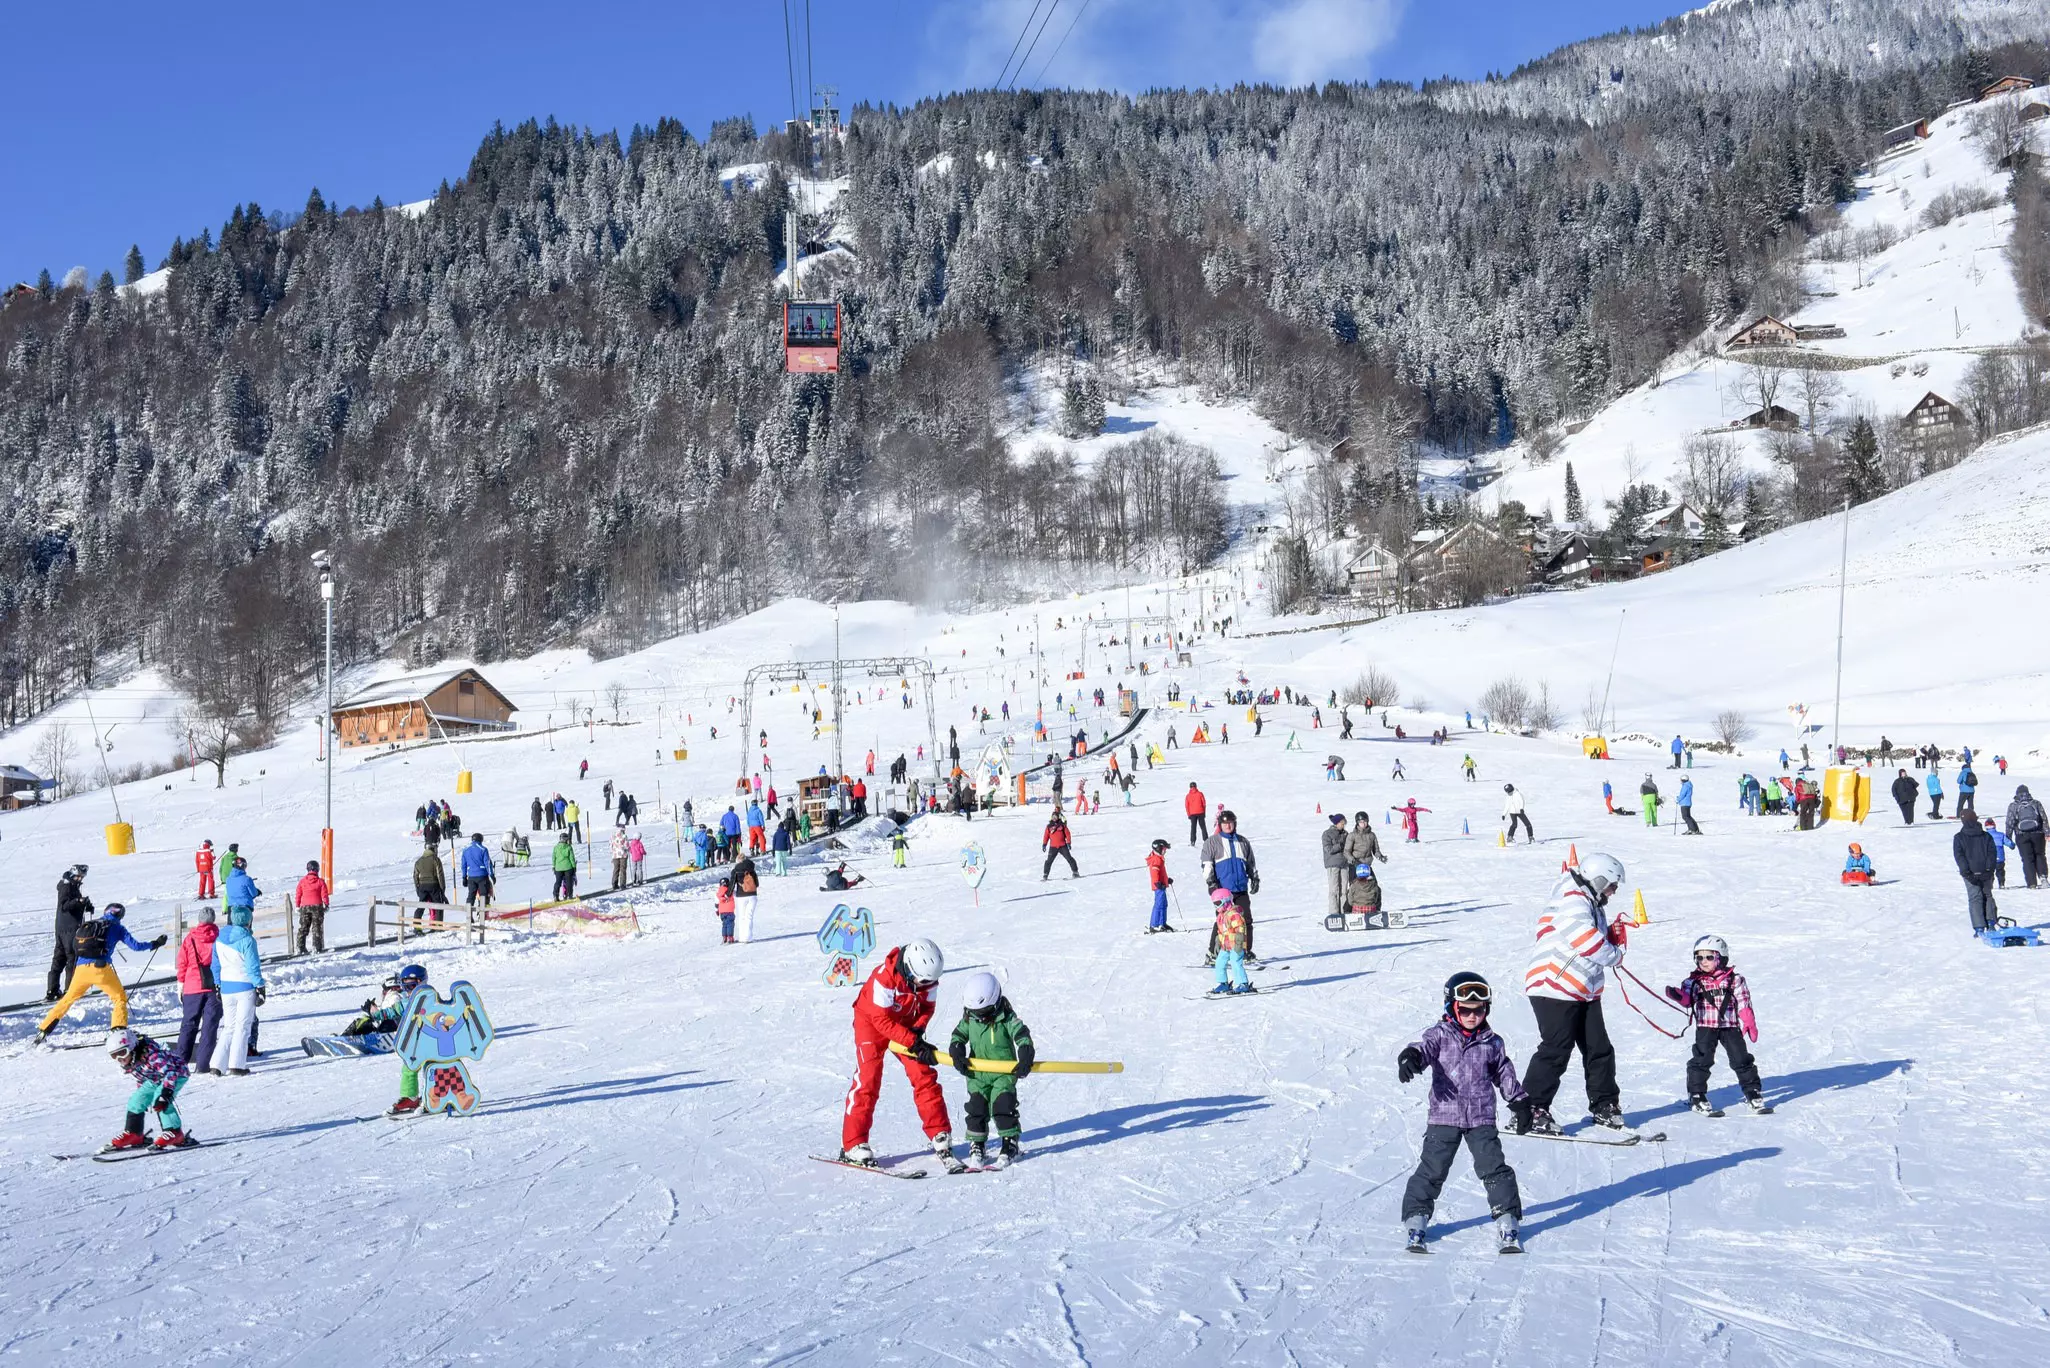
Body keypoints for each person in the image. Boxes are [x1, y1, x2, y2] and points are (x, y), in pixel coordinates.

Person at [1397, 972, 1526, 1254]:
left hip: (1481, 1118)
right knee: (1432, 1170)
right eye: (1465, 1010)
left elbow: (1503, 1072)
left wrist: (1518, 1100)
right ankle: (1416, 1219)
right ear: (1452, 1008)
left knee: (1494, 1168)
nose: (1472, 1015)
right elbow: (1424, 1048)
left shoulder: (1493, 1042)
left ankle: (1508, 1218)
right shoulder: (1440, 1035)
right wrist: (1411, 1057)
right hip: (1444, 1117)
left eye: (1478, 1010)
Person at [1514, 854, 1630, 1134]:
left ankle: (1604, 1104)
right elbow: (1585, 940)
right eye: (1612, 885)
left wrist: (1610, 937)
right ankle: (1529, 1110)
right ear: (1599, 880)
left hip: (1581, 987)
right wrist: (1615, 955)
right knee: (1556, 1048)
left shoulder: (1588, 900)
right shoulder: (1572, 898)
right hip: (1554, 985)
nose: (1613, 892)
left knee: (1598, 1048)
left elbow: (1591, 939)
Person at [838, 938, 964, 1173]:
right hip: (871, 1023)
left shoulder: (928, 978)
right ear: (908, 969)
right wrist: (913, 1042)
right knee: (868, 1079)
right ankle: (853, 1145)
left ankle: (939, 1133)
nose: (927, 985)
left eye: (931, 981)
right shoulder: (883, 978)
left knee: (924, 1074)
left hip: (904, 1024)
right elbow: (880, 1020)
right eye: (923, 980)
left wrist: (917, 1030)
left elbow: (927, 1008)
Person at [1665, 936, 1768, 1114]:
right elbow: (1687, 999)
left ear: (1721, 957)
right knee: (1702, 1060)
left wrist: (1748, 1019)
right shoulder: (1694, 981)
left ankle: (1752, 1090)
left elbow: (1743, 1000)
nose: (1703, 961)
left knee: (1741, 1059)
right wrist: (1679, 996)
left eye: (1709, 957)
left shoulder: (1735, 979)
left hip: (1730, 1026)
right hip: (1706, 1027)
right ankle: (1697, 1095)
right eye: (1699, 957)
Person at [38, 901, 162, 1042]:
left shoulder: (91, 925)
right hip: (101, 969)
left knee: (67, 1000)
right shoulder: (118, 928)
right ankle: (118, 1029)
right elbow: (136, 946)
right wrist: (155, 943)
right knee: (119, 997)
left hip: (80, 970)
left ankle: (44, 1029)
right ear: (120, 915)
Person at [948, 970, 1036, 1169]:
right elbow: (958, 1036)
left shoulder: (1006, 1018)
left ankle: (1010, 1144)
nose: (979, 1018)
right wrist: (957, 1052)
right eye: (975, 1013)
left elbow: (1022, 1035)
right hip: (977, 1074)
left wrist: (1025, 1055)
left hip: (1003, 1074)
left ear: (995, 1003)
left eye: (983, 1013)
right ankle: (977, 1145)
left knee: (1003, 1107)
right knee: (976, 1109)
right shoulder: (970, 1018)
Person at [102, 1028, 196, 1153]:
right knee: (136, 1100)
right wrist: (143, 1098)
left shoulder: (153, 1056)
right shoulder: (132, 1060)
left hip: (176, 1074)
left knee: (160, 1099)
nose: (120, 1059)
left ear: (132, 1047)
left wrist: (165, 1093)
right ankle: (134, 1134)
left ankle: (174, 1132)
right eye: (114, 1055)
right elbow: (142, 1078)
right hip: (155, 1078)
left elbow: (170, 1072)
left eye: (123, 1053)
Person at [209, 902, 265, 1077]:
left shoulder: (219, 939)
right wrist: (260, 986)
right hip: (245, 987)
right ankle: (237, 1065)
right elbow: (252, 966)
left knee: (229, 1027)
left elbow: (215, 965)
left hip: (226, 988)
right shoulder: (247, 940)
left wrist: (217, 984)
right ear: (248, 921)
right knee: (243, 1027)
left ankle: (217, 1064)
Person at [1200, 809, 1259, 963]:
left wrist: (1254, 878)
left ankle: (1244, 951)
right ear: (1220, 824)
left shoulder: (1243, 842)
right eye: (1225, 823)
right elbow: (1207, 866)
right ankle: (1213, 953)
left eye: (1230, 823)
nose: (1228, 826)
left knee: (1245, 920)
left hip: (1240, 888)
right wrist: (1212, 884)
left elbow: (1250, 863)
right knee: (1223, 922)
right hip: (1223, 891)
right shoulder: (1212, 842)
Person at [174, 907, 222, 1069]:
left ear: (199, 920)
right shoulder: (219, 937)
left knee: (188, 1024)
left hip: (192, 986)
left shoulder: (190, 938)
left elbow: (182, 963)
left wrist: (181, 983)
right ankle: (203, 1064)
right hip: (214, 986)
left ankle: (180, 1062)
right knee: (210, 1026)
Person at [46, 864, 92, 1001]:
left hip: (62, 927)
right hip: (69, 929)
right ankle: (70, 990)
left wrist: (86, 905)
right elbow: (65, 906)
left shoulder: (69, 886)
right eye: (77, 876)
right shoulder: (66, 886)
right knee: (72, 958)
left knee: (59, 959)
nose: (79, 879)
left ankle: (52, 990)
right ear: (72, 875)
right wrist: (78, 901)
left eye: (81, 877)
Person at [343, 964, 424, 1036]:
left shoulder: (396, 997)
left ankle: (347, 1038)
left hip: (400, 1033)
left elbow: (391, 1011)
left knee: (368, 1022)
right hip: (407, 1031)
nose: (407, 991)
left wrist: (373, 1013)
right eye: (405, 987)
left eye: (411, 986)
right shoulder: (408, 999)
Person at [1954, 811, 2000, 933]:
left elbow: (1959, 856)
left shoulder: (1959, 837)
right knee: (1988, 895)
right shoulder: (1986, 836)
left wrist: (1966, 872)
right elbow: (1992, 854)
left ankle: (1979, 927)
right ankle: (1991, 923)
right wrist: (1989, 870)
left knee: (1975, 898)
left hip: (1970, 873)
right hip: (1986, 872)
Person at [1204, 887, 1254, 996]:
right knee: (1219, 962)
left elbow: (1240, 928)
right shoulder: (1221, 916)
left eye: (1218, 903)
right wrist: (1218, 941)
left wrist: (1239, 942)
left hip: (1236, 945)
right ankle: (1223, 983)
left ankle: (1243, 984)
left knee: (1236, 962)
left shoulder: (1233, 914)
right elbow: (1221, 931)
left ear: (1226, 901)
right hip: (1225, 946)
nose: (1216, 906)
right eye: (1214, 904)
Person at [2006, 786, 2047, 889]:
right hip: (2038, 833)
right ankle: (2043, 878)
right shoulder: (2036, 803)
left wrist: (2008, 836)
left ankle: (2031, 883)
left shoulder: (2013, 805)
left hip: (2021, 835)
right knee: (2040, 855)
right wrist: (2047, 833)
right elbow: (2043, 818)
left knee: (2027, 859)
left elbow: (2010, 822)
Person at [1321, 813, 1351, 916]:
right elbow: (1328, 849)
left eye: (1344, 823)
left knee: (1344, 889)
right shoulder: (1327, 834)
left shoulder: (1345, 834)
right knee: (1334, 889)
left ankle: (1344, 911)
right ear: (1336, 823)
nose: (1343, 825)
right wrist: (1340, 845)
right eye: (1342, 823)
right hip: (1333, 864)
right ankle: (1334, 913)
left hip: (1344, 864)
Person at [1145, 838, 1174, 933]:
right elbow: (1154, 874)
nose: (1165, 851)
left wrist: (1166, 880)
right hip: (1158, 887)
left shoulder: (1159, 858)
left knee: (1164, 904)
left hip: (1161, 885)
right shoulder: (1156, 859)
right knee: (1158, 905)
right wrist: (1158, 883)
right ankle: (1154, 925)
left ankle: (1162, 923)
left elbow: (1161, 873)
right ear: (1159, 849)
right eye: (1164, 849)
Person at [413, 844, 448, 918]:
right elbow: (440, 875)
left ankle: (416, 925)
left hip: (422, 886)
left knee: (421, 906)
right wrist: (442, 889)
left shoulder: (419, 861)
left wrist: (418, 888)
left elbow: (415, 876)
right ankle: (438, 926)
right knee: (439, 905)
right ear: (433, 850)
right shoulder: (436, 859)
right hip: (434, 885)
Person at [1041, 811, 1079, 880]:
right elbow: (1046, 836)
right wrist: (1044, 844)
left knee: (1069, 858)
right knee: (1049, 861)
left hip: (1062, 846)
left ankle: (1075, 872)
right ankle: (1045, 875)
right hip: (1053, 847)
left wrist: (1068, 843)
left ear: (1058, 817)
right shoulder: (1049, 826)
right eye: (1053, 817)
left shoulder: (1062, 825)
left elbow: (1067, 834)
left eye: (1055, 816)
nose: (1054, 818)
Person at [731, 856, 760, 941]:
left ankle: (742, 937)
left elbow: (732, 883)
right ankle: (748, 937)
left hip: (741, 896)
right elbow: (757, 884)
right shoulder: (752, 869)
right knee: (749, 916)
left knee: (742, 917)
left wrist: (728, 894)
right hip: (752, 895)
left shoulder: (736, 870)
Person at [551, 832, 578, 900]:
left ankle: (555, 895)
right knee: (569, 882)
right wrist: (574, 867)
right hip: (568, 867)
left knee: (558, 882)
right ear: (565, 839)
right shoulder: (569, 847)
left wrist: (553, 866)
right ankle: (569, 895)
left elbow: (553, 858)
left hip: (558, 868)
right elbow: (571, 858)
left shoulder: (556, 848)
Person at [714, 878, 736, 944]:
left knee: (724, 924)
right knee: (730, 924)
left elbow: (716, 903)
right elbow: (737, 894)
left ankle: (724, 937)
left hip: (722, 912)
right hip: (729, 911)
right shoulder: (730, 891)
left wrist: (717, 910)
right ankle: (730, 937)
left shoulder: (718, 893)